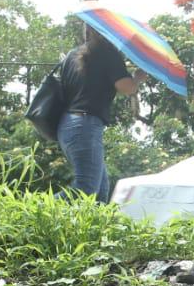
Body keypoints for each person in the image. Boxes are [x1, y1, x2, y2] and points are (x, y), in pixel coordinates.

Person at [57, 27, 140, 201]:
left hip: (66, 126)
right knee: (85, 188)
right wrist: (138, 78)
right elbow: (126, 87)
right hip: (85, 125)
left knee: (101, 190)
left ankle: (94, 228)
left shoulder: (73, 54)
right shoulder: (107, 52)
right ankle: (31, 208)